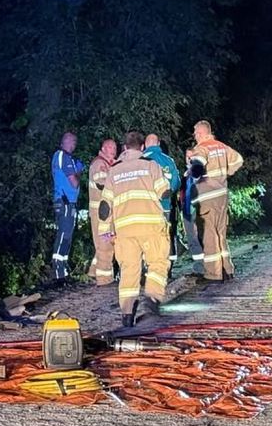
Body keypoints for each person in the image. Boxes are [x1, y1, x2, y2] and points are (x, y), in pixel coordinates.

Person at [100, 131, 171, 327]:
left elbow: (105, 206)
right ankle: (152, 297)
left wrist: (105, 230)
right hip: (151, 225)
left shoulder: (114, 170)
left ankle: (127, 313)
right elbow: (164, 191)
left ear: (124, 148)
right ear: (142, 147)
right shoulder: (151, 165)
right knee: (158, 263)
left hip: (124, 229)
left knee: (129, 269)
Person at [186, 120, 244, 281]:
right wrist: (226, 173)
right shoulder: (221, 146)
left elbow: (198, 166)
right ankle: (227, 269)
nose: (195, 136)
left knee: (209, 235)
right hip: (222, 195)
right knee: (220, 233)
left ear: (202, 133)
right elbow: (238, 160)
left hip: (207, 197)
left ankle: (213, 273)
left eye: (196, 133)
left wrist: (193, 170)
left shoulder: (201, 148)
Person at [50, 132, 85, 284]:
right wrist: (79, 170)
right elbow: (74, 183)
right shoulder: (62, 156)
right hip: (64, 201)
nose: (74, 145)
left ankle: (63, 271)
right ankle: (58, 272)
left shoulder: (65, 157)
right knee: (64, 234)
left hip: (68, 202)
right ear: (66, 141)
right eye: (73, 142)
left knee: (67, 236)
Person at [143, 134, 182, 264]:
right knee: (164, 235)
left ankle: (148, 264)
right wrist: (169, 194)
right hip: (165, 206)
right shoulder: (168, 161)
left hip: (146, 207)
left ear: (145, 144)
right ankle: (167, 265)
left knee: (147, 237)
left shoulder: (140, 160)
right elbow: (176, 182)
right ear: (158, 143)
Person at [87, 139, 118, 286]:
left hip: (105, 212)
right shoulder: (99, 164)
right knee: (105, 243)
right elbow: (102, 183)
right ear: (103, 149)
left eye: (115, 147)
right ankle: (104, 278)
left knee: (103, 243)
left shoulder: (109, 164)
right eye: (110, 147)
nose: (113, 150)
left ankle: (94, 271)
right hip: (100, 213)